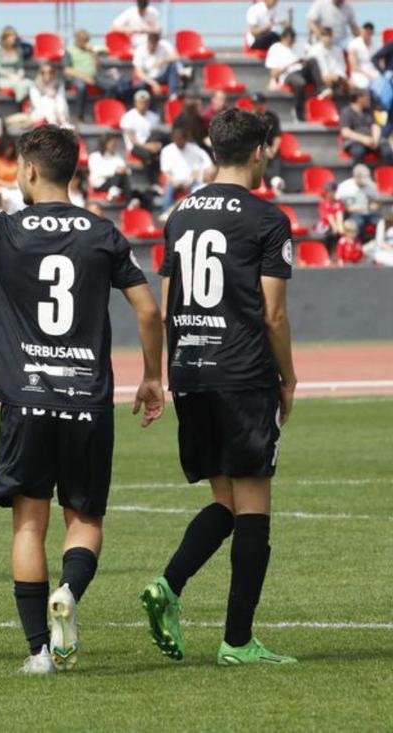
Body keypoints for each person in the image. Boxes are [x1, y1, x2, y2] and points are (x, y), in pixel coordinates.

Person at [0, 123, 164, 674]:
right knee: (85, 519)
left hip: (26, 399)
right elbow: (148, 310)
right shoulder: (103, 233)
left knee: (28, 525)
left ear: (32, 171)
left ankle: (39, 651)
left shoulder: (4, 230)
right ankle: (68, 591)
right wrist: (152, 376)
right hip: (87, 399)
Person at [143, 108, 296, 667]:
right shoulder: (267, 217)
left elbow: (165, 306)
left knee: (224, 502)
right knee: (255, 509)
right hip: (242, 372)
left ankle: (168, 585)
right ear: (258, 150)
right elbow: (274, 314)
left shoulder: (180, 214)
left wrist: (161, 374)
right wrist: (289, 377)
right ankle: (237, 641)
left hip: (191, 372)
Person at [64, 29, 119, 123]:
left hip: (93, 76)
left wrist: (93, 53)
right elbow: (67, 70)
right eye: (83, 40)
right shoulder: (69, 50)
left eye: (87, 40)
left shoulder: (90, 51)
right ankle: (79, 117)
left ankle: (104, 112)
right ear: (77, 39)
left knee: (111, 85)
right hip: (77, 77)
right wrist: (84, 77)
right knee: (81, 87)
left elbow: (98, 68)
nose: (85, 42)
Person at [159, 125, 215, 210]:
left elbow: (200, 167)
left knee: (201, 189)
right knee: (168, 190)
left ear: (185, 139)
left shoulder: (194, 149)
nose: (179, 142)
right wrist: (174, 181)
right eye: (177, 140)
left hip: (191, 181)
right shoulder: (167, 150)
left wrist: (191, 179)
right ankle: (165, 213)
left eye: (181, 139)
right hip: (174, 181)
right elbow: (166, 172)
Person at [265, 27, 314, 120]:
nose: (290, 41)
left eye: (292, 38)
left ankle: (322, 90)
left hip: (302, 71)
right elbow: (274, 73)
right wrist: (290, 64)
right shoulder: (275, 48)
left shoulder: (299, 46)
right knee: (300, 82)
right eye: (288, 38)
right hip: (288, 75)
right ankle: (298, 111)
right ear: (283, 38)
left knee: (313, 61)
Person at [120, 89, 164, 184]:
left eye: (145, 103)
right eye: (140, 102)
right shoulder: (128, 117)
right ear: (135, 103)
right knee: (149, 155)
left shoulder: (154, 117)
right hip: (136, 147)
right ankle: (152, 183)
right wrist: (148, 147)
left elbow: (156, 135)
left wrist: (157, 145)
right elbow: (133, 140)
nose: (143, 105)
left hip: (150, 144)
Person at [340, 90, 391, 164]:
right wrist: (364, 139)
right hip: (356, 141)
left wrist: (375, 140)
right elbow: (345, 132)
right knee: (358, 151)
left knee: (386, 149)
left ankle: (386, 173)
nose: (368, 99)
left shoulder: (369, 111)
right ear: (358, 98)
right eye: (366, 97)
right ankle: (360, 174)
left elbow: (375, 126)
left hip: (372, 139)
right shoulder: (346, 112)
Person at [133, 31, 181, 100]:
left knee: (173, 66)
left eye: (155, 43)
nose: (152, 46)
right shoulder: (140, 50)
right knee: (141, 84)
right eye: (151, 42)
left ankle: (173, 96)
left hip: (163, 76)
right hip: (148, 79)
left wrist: (163, 61)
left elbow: (176, 56)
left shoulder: (164, 45)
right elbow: (139, 73)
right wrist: (153, 84)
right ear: (148, 41)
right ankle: (144, 102)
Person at [336, 163, 382, 234]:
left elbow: (378, 201)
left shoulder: (371, 185)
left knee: (380, 222)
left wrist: (375, 205)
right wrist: (348, 208)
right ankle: (358, 243)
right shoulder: (344, 187)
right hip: (352, 214)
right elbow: (337, 204)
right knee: (358, 223)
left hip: (368, 212)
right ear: (355, 176)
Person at [88, 135, 131, 202]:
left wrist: (122, 170)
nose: (114, 145)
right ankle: (127, 201)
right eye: (112, 143)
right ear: (105, 143)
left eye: (115, 143)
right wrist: (114, 170)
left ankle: (114, 191)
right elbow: (97, 171)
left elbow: (127, 170)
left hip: (117, 182)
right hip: (100, 184)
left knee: (123, 176)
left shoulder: (117, 156)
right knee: (119, 175)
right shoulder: (94, 156)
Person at [0, 26, 31, 103]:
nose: (13, 38)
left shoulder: (18, 50)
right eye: (11, 36)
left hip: (17, 77)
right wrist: (9, 75)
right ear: (5, 38)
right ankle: (19, 103)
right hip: (4, 78)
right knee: (19, 86)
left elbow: (20, 67)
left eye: (14, 36)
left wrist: (20, 75)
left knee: (30, 83)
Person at [29, 63, 71, 127]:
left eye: (50, 72)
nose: (47, 74)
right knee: (50, 102)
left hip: (59, 112)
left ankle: (62, 123)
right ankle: (55, 124)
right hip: (40, 113)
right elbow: (37, 105)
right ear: (40, 73)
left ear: (54, 73)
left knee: (60, 100)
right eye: (44, 72)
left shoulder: (59, 84)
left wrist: (54, 96)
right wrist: (49, 96)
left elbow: (61, 99)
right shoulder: (35, 86)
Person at [347, 22, 380, 90]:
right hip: (359, 72)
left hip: (374, 71)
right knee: (364, 84)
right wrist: (367, 75)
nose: (367, 34)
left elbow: (380, 63)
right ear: (361, 31)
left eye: (369, 32)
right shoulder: (354, 44)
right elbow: (354, 66)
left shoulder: (377, 45)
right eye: (365, 31)